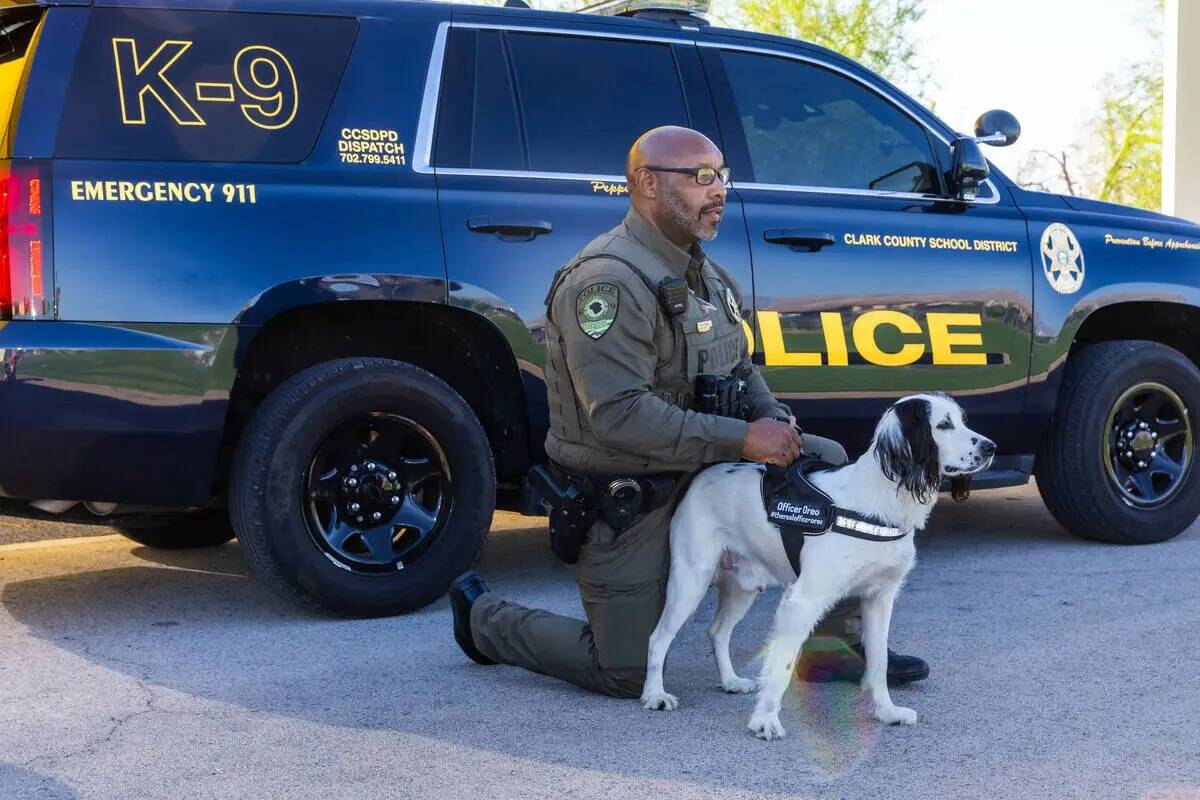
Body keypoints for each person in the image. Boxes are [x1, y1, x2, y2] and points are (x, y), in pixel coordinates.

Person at [448, 126, 928, 698]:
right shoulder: (608, 282)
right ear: (647, 182)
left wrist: (774, 419)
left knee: (823, 464)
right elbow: (619, 416)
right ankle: (484, 621)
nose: (718, 189)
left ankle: (836, 643)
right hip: (632, 491)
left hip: (708, 469)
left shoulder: (707, 275)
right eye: (701, 177)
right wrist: (743, 440)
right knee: (623, 670)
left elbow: (740, 367)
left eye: (721, 175)